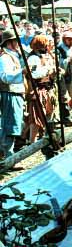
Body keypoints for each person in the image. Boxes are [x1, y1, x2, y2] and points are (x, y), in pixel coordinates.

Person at [22, 35, 56, 143]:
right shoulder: (33, 58)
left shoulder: (42, 56)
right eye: (45, 45)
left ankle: (44, 136)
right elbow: (33, 74)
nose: (47, 48)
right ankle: (32, 140)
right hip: (37, 90)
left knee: (49, 113)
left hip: (47, 89)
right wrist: (48, 71)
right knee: (36, 117)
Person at [0, 30, 26, 158]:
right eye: (15, 40)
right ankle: (8, 156)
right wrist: (22, 72)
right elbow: (5, 77)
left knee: (14, 124)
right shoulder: (5, 58)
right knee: (9, 126)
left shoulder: (14, 56)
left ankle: (5, 154)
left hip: (16, 92)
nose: (17, 43)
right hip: (9, 93)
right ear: (9, 42)